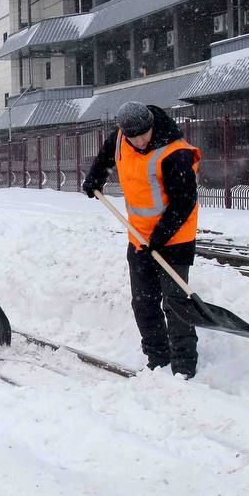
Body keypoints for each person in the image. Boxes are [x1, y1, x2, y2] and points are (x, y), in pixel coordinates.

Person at [82, 101, 201, 378]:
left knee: (175, 301)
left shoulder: (175, 152)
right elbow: (105, 158)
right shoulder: (122, 138)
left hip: (175, 239)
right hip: (139, 237)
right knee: (143, 301)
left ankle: (185, 364)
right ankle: (157, 358)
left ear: (151, 126)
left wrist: (158, 238)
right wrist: (95, 178)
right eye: (132, 136)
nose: (137, 141)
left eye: (142, 135)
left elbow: (184, 203)